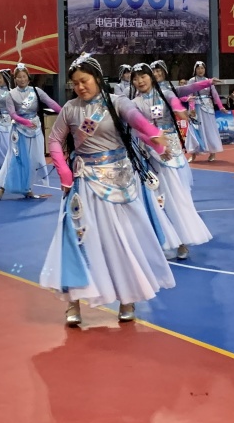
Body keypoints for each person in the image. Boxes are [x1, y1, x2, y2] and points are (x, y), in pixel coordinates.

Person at [39, 54, 174, 326]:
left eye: (84, 81)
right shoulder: (70, 109)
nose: (79, 87)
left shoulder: (116, 102)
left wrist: (155, 137)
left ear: (98, 79)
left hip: (119, 182)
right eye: (75, 83)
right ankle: (73, 304)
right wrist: (64, 173)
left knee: (123, 240)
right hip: (85, 182)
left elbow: (137, 121)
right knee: (79, 240)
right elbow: (55, 140)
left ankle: (127, 298)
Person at [129, 63, 211, 260]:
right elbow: (137, 129)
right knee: (154, 199)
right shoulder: (134, 103)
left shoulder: (165, 93)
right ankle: (163, 241)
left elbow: (176, 102)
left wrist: (180, 111)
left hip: (171, 153)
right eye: (136, 78)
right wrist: (157, 145)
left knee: (176, 196)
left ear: (151, 77)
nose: (140, 81)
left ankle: (182, 240)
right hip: (149, 153)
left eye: (143, 76)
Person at [0, 64, 59, 200]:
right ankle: (2, 187)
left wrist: (64, 112)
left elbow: (51, 103)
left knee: (34, 160)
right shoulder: (11, 94)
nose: (22, 79)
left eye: (24, 76)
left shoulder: (36, 91)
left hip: (35, 130)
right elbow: (12, 114)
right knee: (15, 159)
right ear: (15, 79)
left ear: (28, 78)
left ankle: (28, 187)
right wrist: (26, 122)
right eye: (19, 77)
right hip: (19, 131)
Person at [182, 61, 224, 163]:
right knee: (193, 130)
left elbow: (215, 95)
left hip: (208, 108)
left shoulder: (208, 81)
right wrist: (191, 109)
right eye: (198, 68)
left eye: (202, 68)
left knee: (210, 129)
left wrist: (221, 106)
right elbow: (190, 95)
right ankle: (193, 153)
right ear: (195, 70)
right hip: (195, 108)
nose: (200, 70)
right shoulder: (192, 81)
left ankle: (212, 152)